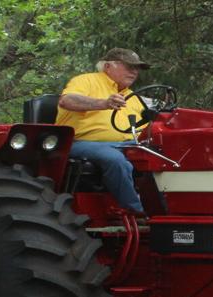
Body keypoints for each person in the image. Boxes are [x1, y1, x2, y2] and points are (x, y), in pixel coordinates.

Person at [55, 48, 152, 215]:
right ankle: (137, 210)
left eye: (137, 68)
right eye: (129, 66)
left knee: (164, 155)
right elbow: (67, 100)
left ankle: (170, 208)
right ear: (108, 66)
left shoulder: (133, 97)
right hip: (81, 143)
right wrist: (104, 103)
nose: (134, 71)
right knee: (114, 159)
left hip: (127, 144)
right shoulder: (86, 80)